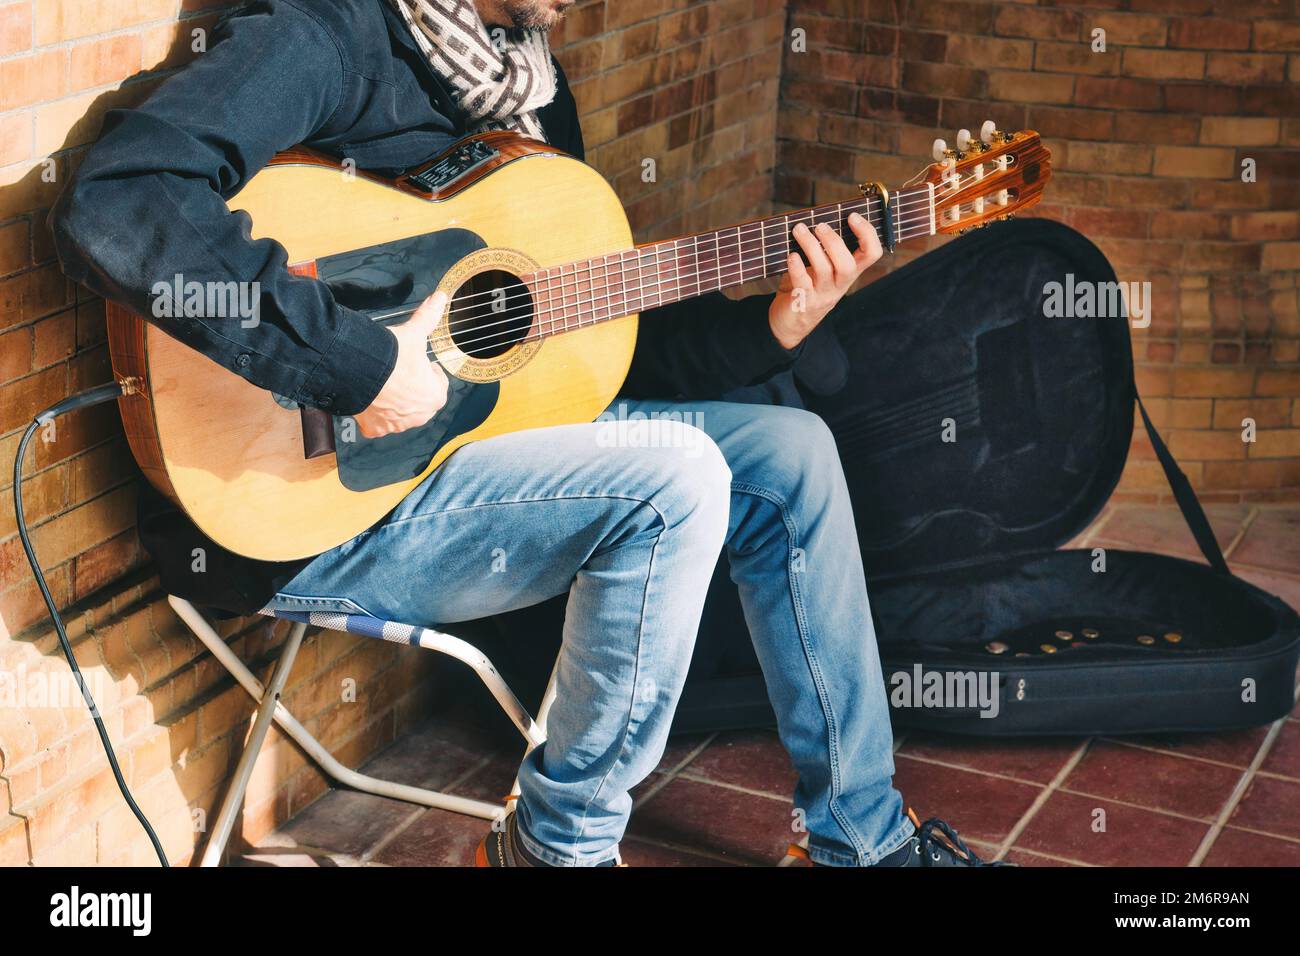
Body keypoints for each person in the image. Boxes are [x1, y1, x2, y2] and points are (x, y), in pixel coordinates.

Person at [51, 0, 1002, 867]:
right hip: (314, 505)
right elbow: (121, 195)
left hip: (487, 464)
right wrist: (358, 366)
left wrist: (773, 325)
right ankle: (555, 852)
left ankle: (862, 840)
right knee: (674, 479)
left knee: (790, 456)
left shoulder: (531, 91)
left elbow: (586, 339)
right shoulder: (322, 36)